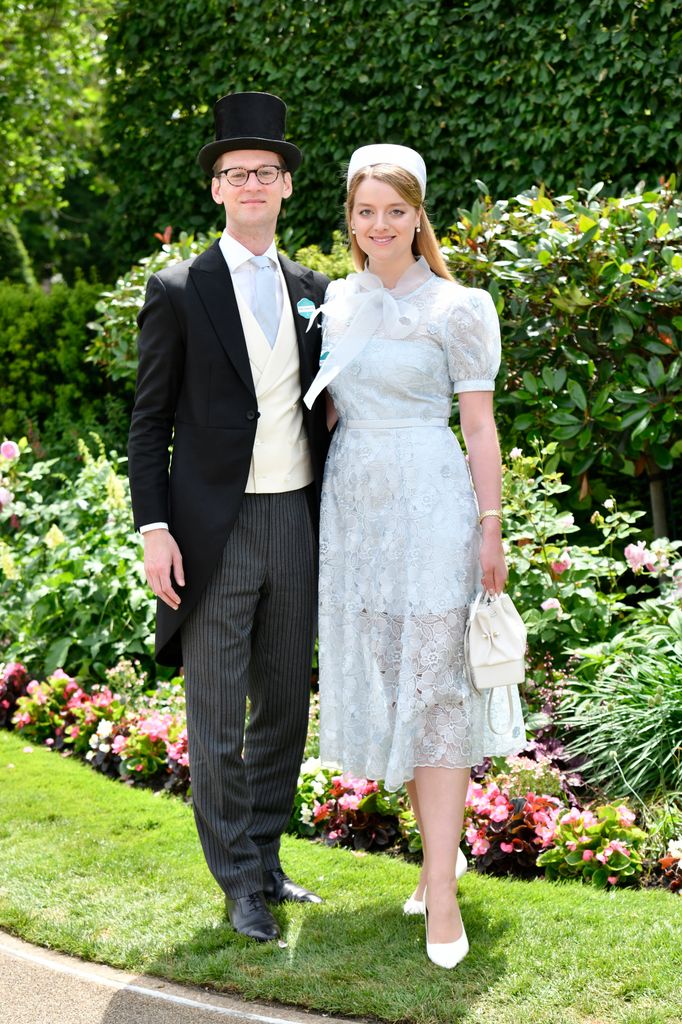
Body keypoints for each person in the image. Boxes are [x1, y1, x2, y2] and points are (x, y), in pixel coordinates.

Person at [304, 144, 525, 969]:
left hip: (434, 507)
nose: (379, 225)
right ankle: (444, 853)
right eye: (365, 211)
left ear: (418, 215)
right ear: (351, 220)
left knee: (437, 695)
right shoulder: (336, 301)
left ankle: (441, 890)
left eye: (395, 210)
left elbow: (478, 426)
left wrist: (490, 526)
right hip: (357, 514)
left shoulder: (460, 306)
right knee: (400, 684)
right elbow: (324, 411)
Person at [128, 91, 330, 943]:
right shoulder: (177, 288)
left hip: (296, 522)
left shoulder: (319, 290)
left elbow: (328, 407)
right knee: (213, 717)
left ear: (286, 187)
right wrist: (153, 529)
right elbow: (148, 419)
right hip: (210, 533)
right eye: (234, 173)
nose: (250, 184)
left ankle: (269, 858)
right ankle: (237, 881)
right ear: (216, 189)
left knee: (284, 706)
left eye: (265, 172)